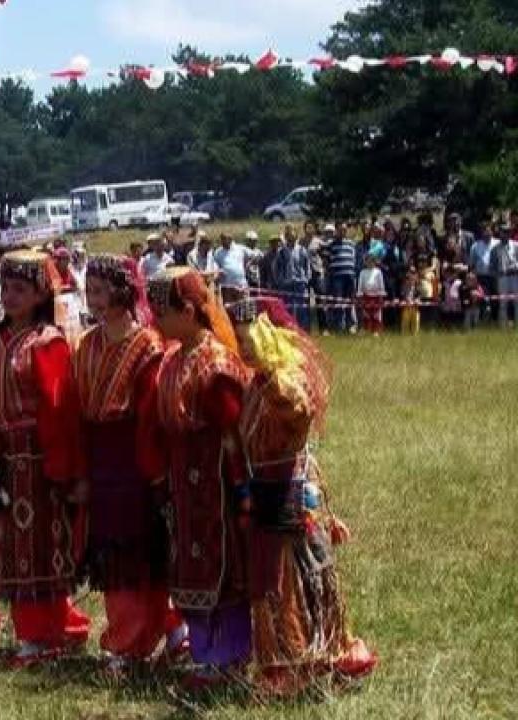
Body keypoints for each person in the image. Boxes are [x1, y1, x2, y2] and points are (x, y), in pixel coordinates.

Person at [228, 296, 378, 697]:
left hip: (289, 490)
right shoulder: (256, 382)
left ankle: (307, 660)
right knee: (269, 579)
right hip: (263, 490)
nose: (243, 349)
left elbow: (298, 410)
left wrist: (275, 372)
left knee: (293, 577)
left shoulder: (288, 379)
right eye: (239, 341)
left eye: (251, 340)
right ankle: (283, 663)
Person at [0, 250, 90, 668]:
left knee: (43, 549)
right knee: (10, 547)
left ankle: (44, 637)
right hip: (6, 460)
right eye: (5, 287)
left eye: (20, 289)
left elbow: (60, 411)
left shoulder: (49, 342)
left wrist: (65, 470)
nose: (10, 296)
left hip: (42, 461)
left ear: (41, 293)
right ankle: (45, 631)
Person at [74, 254, 185, 677]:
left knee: (144, 553)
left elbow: (149, 416)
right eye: (89, 291)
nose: (94, 300)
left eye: (101, 291)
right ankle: (145, 634)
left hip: (135, 460)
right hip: (102, 460)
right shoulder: (87, 344)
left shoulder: (149, 346)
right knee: (115, 558)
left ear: (123, 291)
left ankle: (133, 642)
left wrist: (153, 472)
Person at [146, 266, 252, 690]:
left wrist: (240, 492)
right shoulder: (173, 358)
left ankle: (230, 656)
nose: (155, 320)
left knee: (223, 569)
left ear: (188, 312)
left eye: (163, 312)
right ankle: (205, 654)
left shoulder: (217, 363)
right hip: (183, 483)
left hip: (216, 484)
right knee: (189, 567)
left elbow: (233, 433)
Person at [274, 228, 312, 331]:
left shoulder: (302, 250)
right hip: (286, 284)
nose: (291, 240)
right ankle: (289, 329)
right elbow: (276, 268)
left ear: (296, 238)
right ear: (286, 238)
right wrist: (279, 281)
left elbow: (307, 265)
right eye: (289, 238)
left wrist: (306, 279)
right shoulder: (281, 252)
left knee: (302, 309)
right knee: (288, 308)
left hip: (300, 283)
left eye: (293, 238)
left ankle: (302, 330)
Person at [325, 226, 358, 335]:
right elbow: (326, 259)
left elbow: (354, 258)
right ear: (336, 231)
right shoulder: (331, 244)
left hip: (350, 276)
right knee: (339, 302)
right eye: (340, 230)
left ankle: (350, 326)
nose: (342, 231)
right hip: (337, 277)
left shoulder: (351, 243)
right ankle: (340, 326)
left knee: (349, 301)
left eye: (344, 230)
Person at [490, 226, 518, 328]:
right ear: (499, 233)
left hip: (515, 277)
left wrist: (517, 266)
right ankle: (503, 326)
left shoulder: (517, 245)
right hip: (502, 277)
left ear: (509, 234)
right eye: (502, 232)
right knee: (503, 304)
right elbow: (492, 265)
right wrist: (497, 275)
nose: (504, 234)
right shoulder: (495, 249)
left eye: (506, 232)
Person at [212, 232, 259, 303]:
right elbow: (215, 266)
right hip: (227, 286)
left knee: (244, 306)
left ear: (231, 240)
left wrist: (248, 264)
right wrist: (218, 271)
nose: (223, 241)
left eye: (225, 239)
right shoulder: (218, 252)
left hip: (241, 284)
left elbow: (255, 256)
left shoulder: (240, 248)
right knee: (229, 308)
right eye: (222, 239)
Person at [356, 255, 386, 336]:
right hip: (366, 296)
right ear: (365, 262)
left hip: (376, 296)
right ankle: (365, 329)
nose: (370, 263)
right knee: (366, 314)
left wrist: (381, 295)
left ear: (374, 262)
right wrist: (360, 295)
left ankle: (375, 331)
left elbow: (381, 284)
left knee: (376, 314)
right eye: (368, 261)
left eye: (372, 261)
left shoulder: (378, 272)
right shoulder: (362, 272)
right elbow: (360, 284)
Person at [401, 268, 422, 335]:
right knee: (405, 321)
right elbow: (402, 295)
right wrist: (406, 299)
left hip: (415, 307)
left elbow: (419, 295)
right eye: (410, 273)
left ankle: (414, 335)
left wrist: (417, 299)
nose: (412, 276)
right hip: (406, 306)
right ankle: (404, 334)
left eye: (414, 274)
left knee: (416, 321)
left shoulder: (418, 285)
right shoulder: (404, 285)